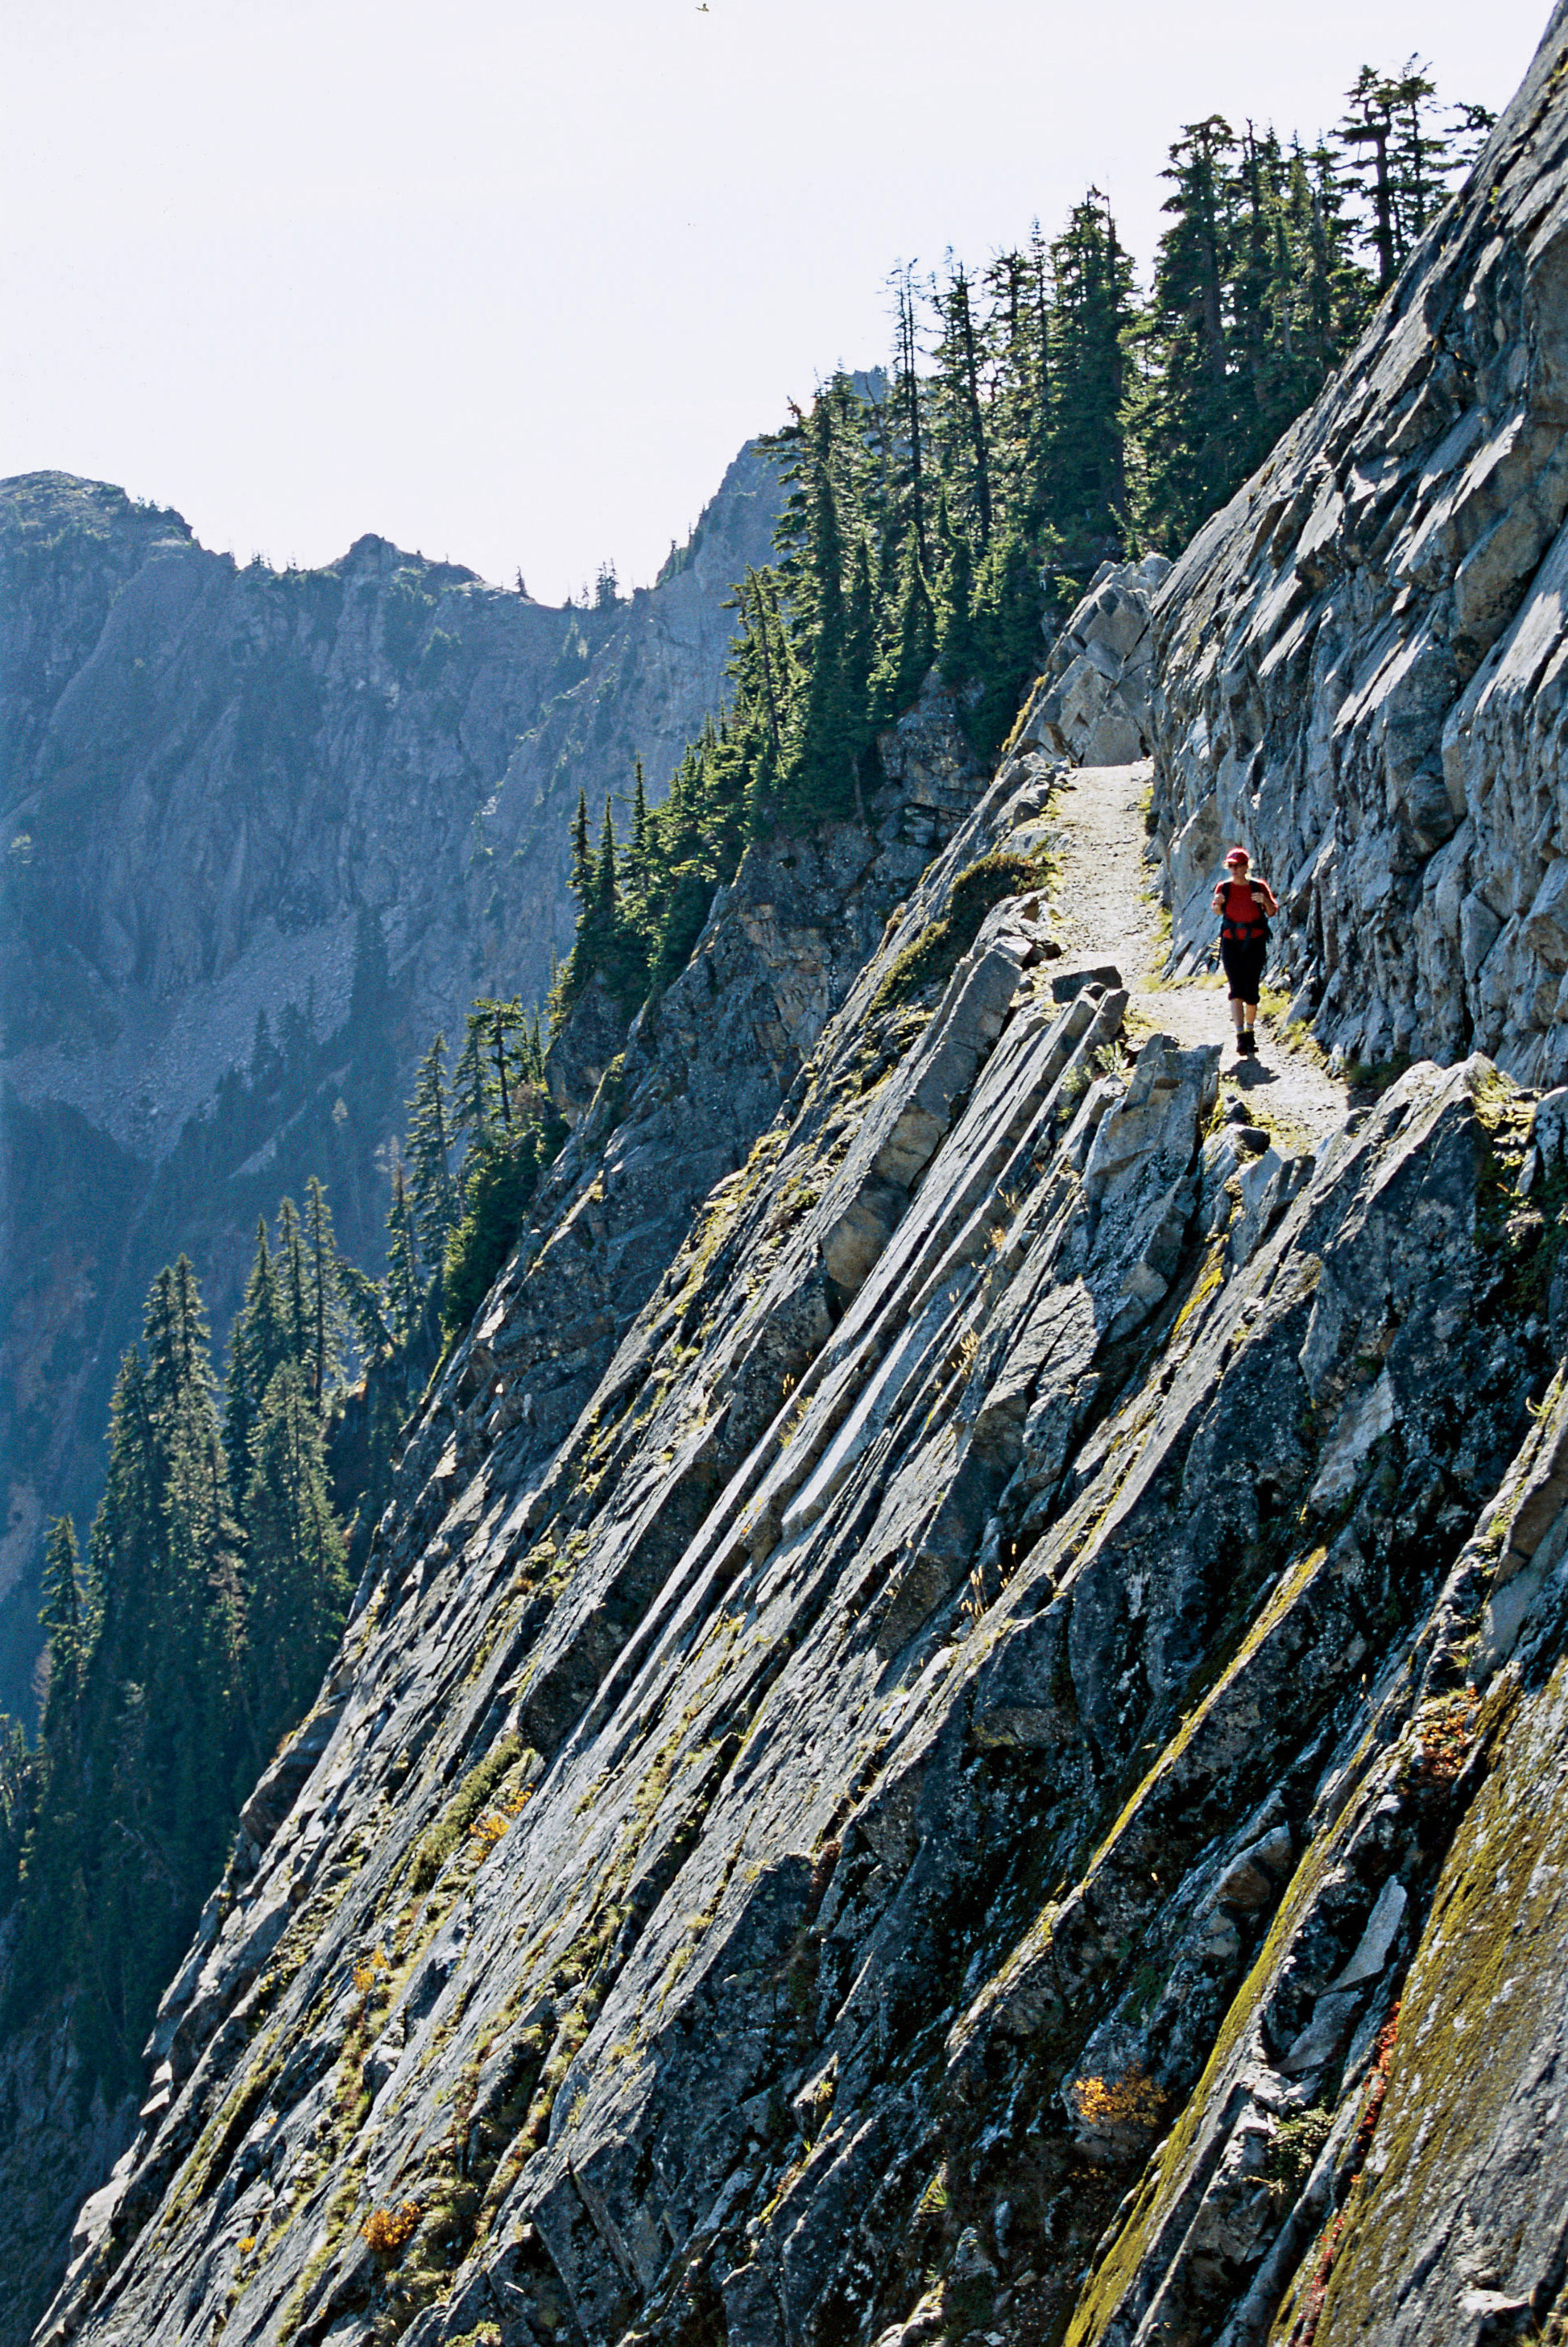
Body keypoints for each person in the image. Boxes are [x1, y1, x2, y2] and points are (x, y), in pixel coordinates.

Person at [1211, 846, 1278, 1056]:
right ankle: (1241, 1036)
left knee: (1252, 992)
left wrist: (1264, 901)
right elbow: (1217, 911)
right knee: (1236, 990)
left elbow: (1272, 911)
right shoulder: (1224, 888)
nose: (1233, 869)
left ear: (1246, 866)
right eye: (1230, 866)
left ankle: (1250, 1032)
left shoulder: (1258, 887)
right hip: (1231, 943)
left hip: (1255, 943)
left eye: (1237, 865)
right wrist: (1218, 905)